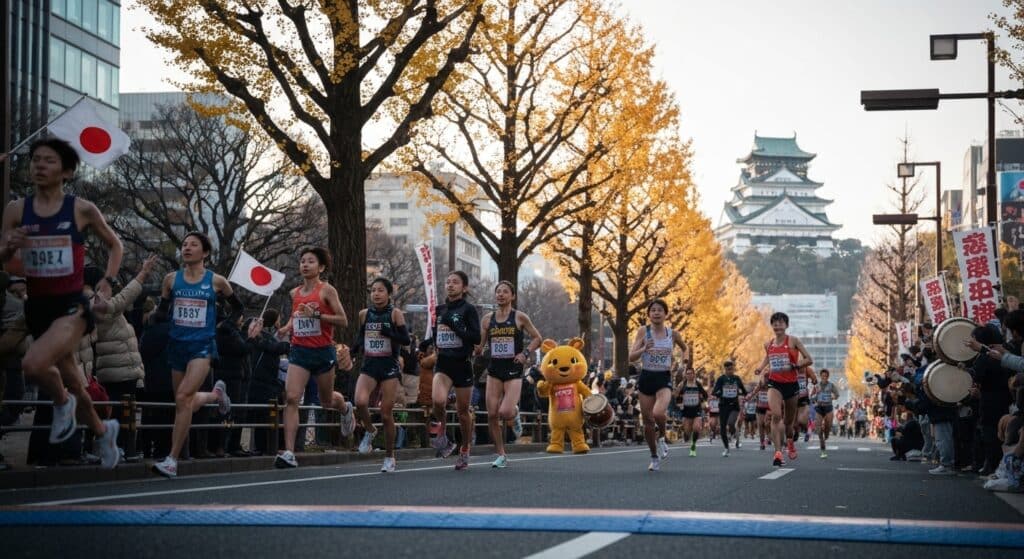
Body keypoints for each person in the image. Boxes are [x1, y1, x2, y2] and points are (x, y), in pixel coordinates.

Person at [0, 138, 124, 469]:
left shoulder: (81, 209)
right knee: (74, 382)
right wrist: (10, 247)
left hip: (73, 306)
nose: (39, 165)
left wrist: (107, 283)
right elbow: (6, 264)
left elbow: (116, 246)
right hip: (37, 307)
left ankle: (62, 405)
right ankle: (102, 432)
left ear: (66, 171)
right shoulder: (15, 210)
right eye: (36, 160)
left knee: (33, 364)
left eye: (49, 161)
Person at [150, 232, 239, 477]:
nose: (187, 248)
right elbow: (163, 311)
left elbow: (238, 308)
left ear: (205, 252)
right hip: (177, 345)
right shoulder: (170, 280)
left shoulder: (217, 281)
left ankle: (172, 459)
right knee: (183, 402)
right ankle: (214, 395)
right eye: (184, 244)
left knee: (183, 396)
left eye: (193, 245)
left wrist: (224, 326)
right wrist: (153, 318)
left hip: (202, 346)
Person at [275, 247, 356, 469]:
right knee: (291, 398)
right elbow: (296, 316)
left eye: (310, 261)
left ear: (320, 267)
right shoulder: (294, 293)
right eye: (302, 261)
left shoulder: (326, 291)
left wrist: (318, 315)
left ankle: (345, 408)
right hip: (299, 351)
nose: (305, 265)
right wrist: (285, 328)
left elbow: (343, 320)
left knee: (326, 401)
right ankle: (290, 452)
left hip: (322, 351)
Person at [89, 255, 157, 452]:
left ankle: (125, 447)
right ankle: (123, 448)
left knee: (122, 412)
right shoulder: (97, 305)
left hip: (118, 369)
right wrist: (143, 274)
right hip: (117, 371)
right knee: (122, 413)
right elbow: (124, 298)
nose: (112, 286)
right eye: (107, 283)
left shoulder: (102, 306)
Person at [478, 280, 541, 468]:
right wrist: (477, 349)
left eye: (505, 292)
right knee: (491, 414)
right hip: (495, 369)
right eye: (498, 292)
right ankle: (501, 453)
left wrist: (525, 353)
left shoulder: (520, 317)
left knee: (505, 412)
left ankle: (515, 412)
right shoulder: (487, 319)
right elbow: (480, 345)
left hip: (513, 369)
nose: (501, 295)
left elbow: (538, 338)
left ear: (512, 296)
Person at [350, 277, 410, 473]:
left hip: (389, 368)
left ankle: (389, 456)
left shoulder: (395, 314)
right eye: (373, 290)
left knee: (386, 414)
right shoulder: (364, 314)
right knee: (359, 402)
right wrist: (353, 349)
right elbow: (361, 335)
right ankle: (370, 430)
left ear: (389, 293)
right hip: (370, 365)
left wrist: (389, 332)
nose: (376, 293)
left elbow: (405, 339)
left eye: (381, 290)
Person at [428, 271, 481, 471]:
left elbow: (475, 337)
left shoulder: (469, 310)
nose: (450, 285)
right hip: (443, 363)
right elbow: (437, 333)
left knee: (462, 413)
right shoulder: (439, 309)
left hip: (462, 364)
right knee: (438, 401)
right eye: (448, 282)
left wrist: (455, 328)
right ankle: (443, 436)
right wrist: (429, 343)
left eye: (455, 282)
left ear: (464, 288)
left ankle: (465, 448)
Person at [627, 299, 688, 471]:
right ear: (648, 314)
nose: (656, 313)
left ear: (665, 313)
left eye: (660, 310)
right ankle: (654, 457)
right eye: (653, 310)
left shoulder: (672, 334)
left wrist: (685, 361)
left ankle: (662, 437)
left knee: (658, 412)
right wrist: (644, 349)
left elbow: (685, 348)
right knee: (647, 421)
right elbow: (631, 357)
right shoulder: (642, 331)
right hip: (646, 376)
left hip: (663, 377)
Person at [755, 312, 813, 467]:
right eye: (774, 323)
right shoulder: (768, 344)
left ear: (786, 325)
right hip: (775, 384)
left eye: (781, 323)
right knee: (775, 415)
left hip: (791, 385)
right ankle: (778, 453)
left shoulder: (793, 341)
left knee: (788, 423)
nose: (777, 325)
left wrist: (795, 365)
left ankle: (790, 441)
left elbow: (809, 359)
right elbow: (768, 357)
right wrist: (760, 368)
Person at [245, 309, 289, 456]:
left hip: (263, 381)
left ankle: (261, 447)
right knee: (262, 415)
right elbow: (277, 347)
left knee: (262, 416)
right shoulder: (262, 338)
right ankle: (262, 447)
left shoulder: (263, 337)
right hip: (263, 382)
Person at [712, 359, 748, 456]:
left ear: (733, 369)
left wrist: (742, 395)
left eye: (731, 369)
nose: (730, 371)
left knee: (731, 422)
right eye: (728, 370)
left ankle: (733, 434)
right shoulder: (721, 379)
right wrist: (719, 394)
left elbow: (744, 391)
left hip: (734, 405)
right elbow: (714, 392)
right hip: (723, 405)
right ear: (725, 370)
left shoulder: (737, 379)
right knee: (723, 427)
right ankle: (726, 447)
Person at [672, 366, 706, 458]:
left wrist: (703, 402)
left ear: (694, 374)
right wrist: (679, 402)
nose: (689, 375)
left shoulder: (698, 384)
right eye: (687, 373)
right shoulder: (682, 384)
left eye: (691, 373)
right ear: (685, 375)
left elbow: (705, 394)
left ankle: (693, 446)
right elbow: (675, 396)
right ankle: (686, 436)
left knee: (696, 428)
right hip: (686, 411)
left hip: (696, 410)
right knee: (687, 431)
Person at [812, 369, 840, 458]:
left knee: (828, 426)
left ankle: (827, 434)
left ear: (828, 377)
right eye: (822, 376)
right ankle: (823, 449)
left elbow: (837, 395)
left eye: (826, 376)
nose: (824, 377)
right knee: (819, 429)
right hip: (819, 407)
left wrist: (833, 397)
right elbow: (811, 397)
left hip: (828, 407)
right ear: (820, 376)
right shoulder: (816, 386)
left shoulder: (831, 385)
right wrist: (816, 395)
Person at [794, 366, 819, 445]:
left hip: (803, 397)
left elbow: (814, 379)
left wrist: (814, 380)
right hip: (792, 397)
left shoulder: (807, 369)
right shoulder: (791, 368)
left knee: (802, 421)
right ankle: (797, 433)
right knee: (793, 422)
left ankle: (808, 429)